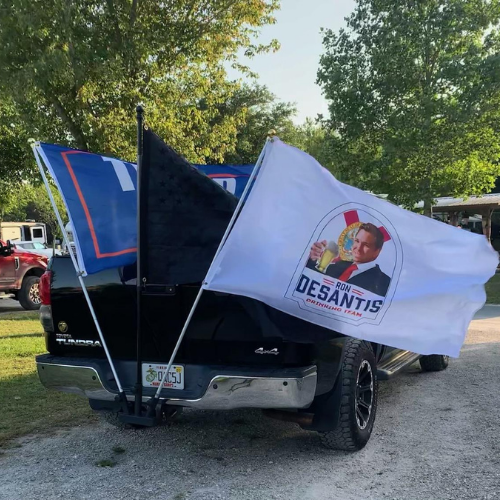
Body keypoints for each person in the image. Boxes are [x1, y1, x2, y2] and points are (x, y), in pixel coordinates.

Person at [306, 222, 391, 297]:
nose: (358, 248)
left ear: (377, 251)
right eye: (357, 241)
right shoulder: (336, 265)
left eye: (366, 245)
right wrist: (312, 260)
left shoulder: (384, 283)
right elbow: (313, 284)